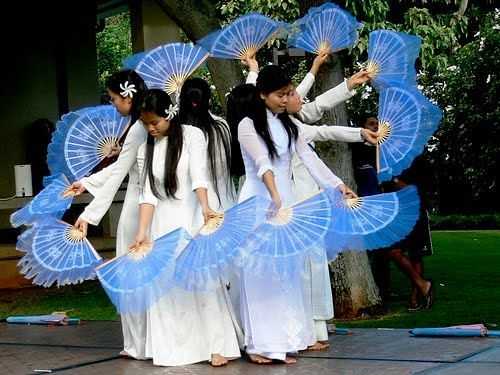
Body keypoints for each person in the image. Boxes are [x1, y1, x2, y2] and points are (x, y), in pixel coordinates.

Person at [238, 54, 376, 350]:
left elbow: (310, 157)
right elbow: (263, 164)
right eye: (283, 94)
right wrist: (275, 197)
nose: (289, 98)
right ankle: (259, 344)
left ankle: (286, 340)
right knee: (261, 273)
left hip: (287, 202)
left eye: (289, 93)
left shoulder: (289, 124)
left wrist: (338, 185)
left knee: (288, 273)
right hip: (261, 201)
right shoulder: (248, 125)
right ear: (263, 95)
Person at [131, 89, 240, 367]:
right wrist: (142, 232)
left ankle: (216, 345)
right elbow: (147, 194)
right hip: (162, 224)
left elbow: (199, 175)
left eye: (155, 122)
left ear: (169, 114)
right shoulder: (146, 149)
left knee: (203, 282)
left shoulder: (192, 135)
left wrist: (205, 207)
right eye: (145, 123)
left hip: (191, 216)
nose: (150, 128)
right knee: (168, 287)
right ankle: (175, 347)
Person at [66, 69, 149, 359]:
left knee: (132, 272)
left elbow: (119, 174)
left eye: (114, 98)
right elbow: (120, 167)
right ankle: (144, 341)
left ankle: (139, 342)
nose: (113, 104)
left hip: (139, 203)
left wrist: (89, 214)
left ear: (127, 96)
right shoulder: (143, 125)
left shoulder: (140, 127)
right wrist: (87, 182)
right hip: (152, 204)